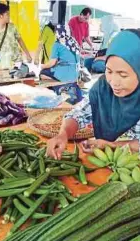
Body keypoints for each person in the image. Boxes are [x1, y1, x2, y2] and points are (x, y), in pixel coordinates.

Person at [47, 29, 140, 159]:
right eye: (109, 71)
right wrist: (63, 134)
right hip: (106, 163)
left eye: (123, 75)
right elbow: (79, 113)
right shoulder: (102, 88)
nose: (113, 82)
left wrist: (111, 145)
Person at [39, 26, 82, 102]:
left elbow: (52, 63)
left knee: (42, 73)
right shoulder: (73, 41)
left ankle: (58, 87)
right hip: (77, 73)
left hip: (65, 73)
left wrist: (42, 66)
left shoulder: (57, 44)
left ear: (57, 33)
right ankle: (62, 86)